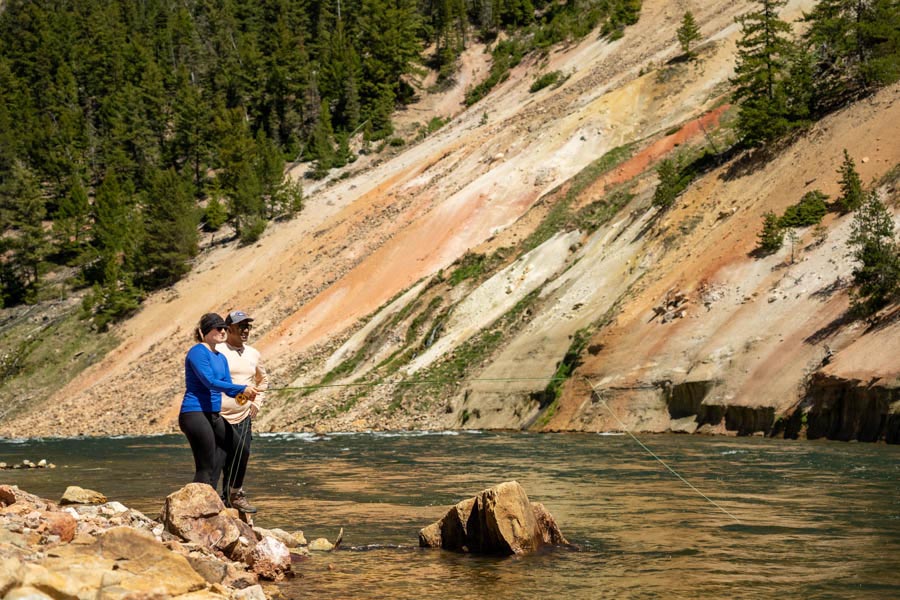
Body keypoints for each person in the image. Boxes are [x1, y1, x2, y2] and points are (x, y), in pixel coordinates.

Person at [180, 313, 258, 490]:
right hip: (194, 413)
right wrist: (241, 388)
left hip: (213, 414)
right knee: (206, 465)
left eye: (224, 328)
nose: (223, 331)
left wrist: (244, 395)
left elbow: (228, 387)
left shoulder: (220, 357)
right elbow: (209, 382)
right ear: (204, 331)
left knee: (241, 451)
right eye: (218, 328)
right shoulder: (197, 352)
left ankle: (233, 493)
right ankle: (196, 509)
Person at [218, 310, 268, 513]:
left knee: (242, 453)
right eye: (241, 326)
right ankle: (222, 498)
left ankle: (235, 494)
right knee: (221, 458)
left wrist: (257, 404)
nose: (245, 330)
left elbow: (263, 380)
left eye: (247, 326)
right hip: (218, 414)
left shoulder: (254, 354)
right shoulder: (218, 351)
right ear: (229, 329)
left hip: (244, 414)